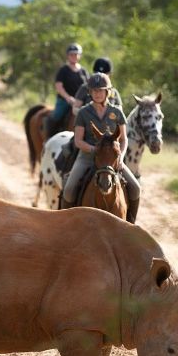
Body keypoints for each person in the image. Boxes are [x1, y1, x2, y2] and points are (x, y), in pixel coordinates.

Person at [61, 73, 141, 223]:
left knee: (136, 188)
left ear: (107, 92)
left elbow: (123, 139)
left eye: (101, 90)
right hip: (87, 156)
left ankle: (130, 224)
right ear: (90, 92)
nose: (97, 94)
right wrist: (94, 150)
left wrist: (121, 157)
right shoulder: (83, 113)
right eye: (94, 91)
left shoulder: (117, 112)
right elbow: (78, 141)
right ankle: (67, 224)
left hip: (113, 158)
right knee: (69, 190)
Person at [46, 43, 89, 138]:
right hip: (65, 101)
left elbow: (88, 87)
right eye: (71, 54)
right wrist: (68, 98)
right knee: (56, 116)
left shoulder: (84, 72)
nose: (74, 56)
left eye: (76, 54)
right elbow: (59, 86)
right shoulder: (63, 70)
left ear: (80, 56)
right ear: (68, 56)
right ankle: (48, 138)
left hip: (81, 102)